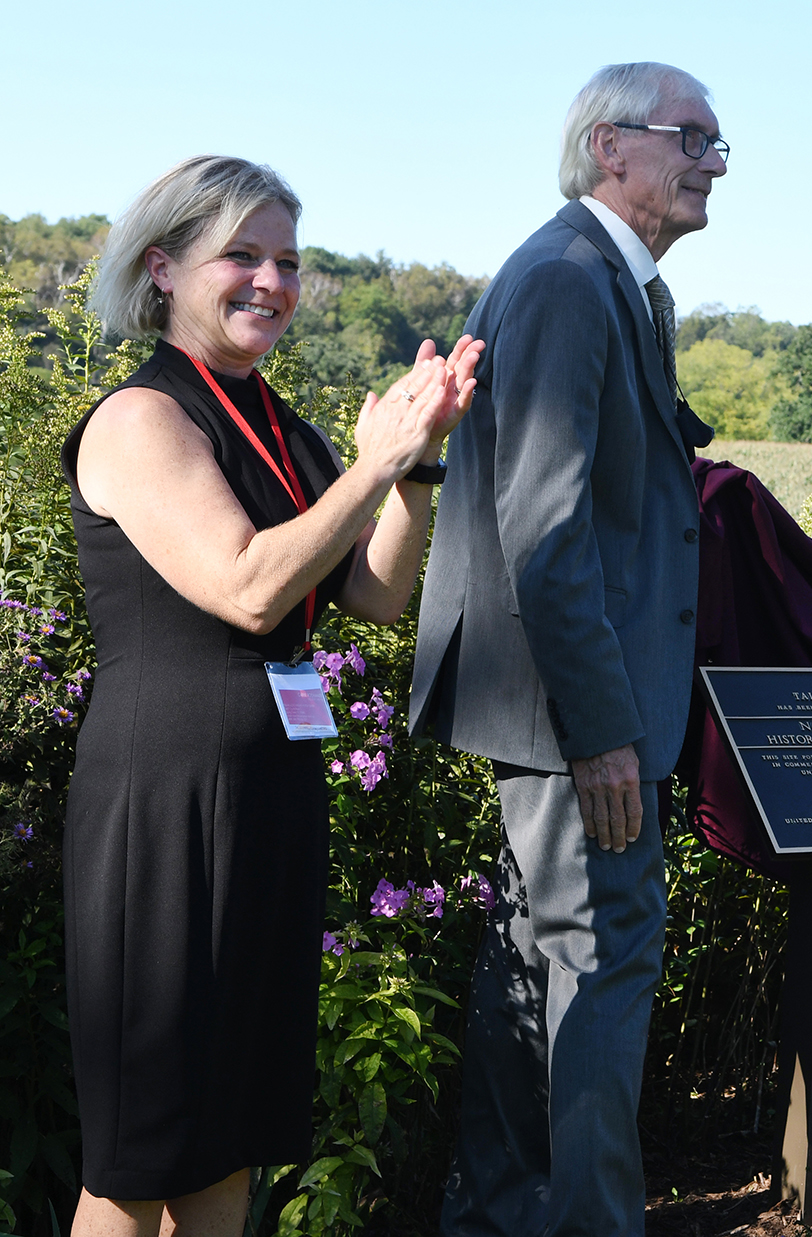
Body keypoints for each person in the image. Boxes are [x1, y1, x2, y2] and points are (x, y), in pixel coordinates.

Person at [65, 154, 481, 1237]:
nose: (272, 281)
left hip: (266, 800)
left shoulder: (277, 424)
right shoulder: (141, 420)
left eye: (288, 261)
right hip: (162, 804)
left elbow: (377, 599)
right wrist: (371, 461)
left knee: (232, 1129)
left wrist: (417, 462)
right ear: (163, 270)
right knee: (142, 1150)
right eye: (240, 255)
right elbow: (249, 589)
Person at [406, 62, 723, 1237]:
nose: (713, 163)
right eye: (692, 138)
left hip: (571, 713)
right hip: (575, 720)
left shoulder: (601, 282)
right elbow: (544, 531)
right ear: (609, 147)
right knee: (600, 964)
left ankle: (497, 1217)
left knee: (540, 972)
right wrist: (602, 731)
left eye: (717, 143)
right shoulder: (568, 280)